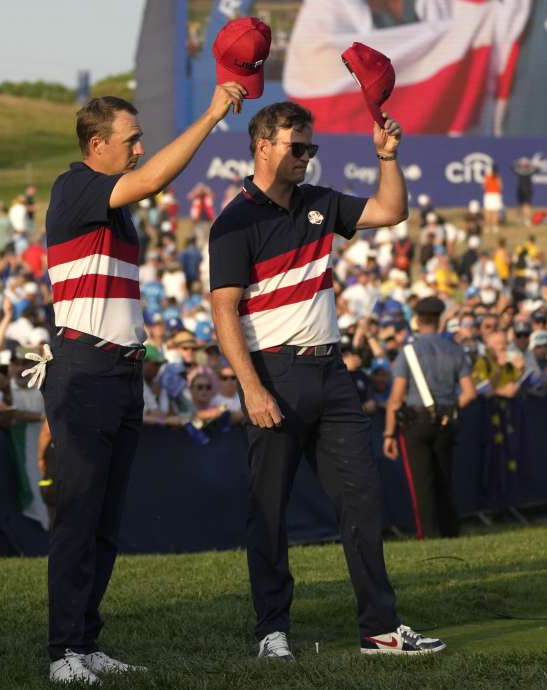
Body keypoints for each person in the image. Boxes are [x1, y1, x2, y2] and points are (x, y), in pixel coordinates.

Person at [209, 101, 445, 660]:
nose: (307, 158)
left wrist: (387, 156)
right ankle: (272, 631)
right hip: (275, 372)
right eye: (297, 147)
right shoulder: (235, 220)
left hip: (331, 371)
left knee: (363, 499)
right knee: (269, 509)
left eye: (311, 148)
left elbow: (392, 210)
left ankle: (380, 629)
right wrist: (252, 387)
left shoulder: (321, 203)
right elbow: (224, 310)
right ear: (263, 146)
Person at [37, 81, 244, 684]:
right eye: (130, 139)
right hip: (83, 371)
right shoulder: (74, 185)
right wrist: (209, 115)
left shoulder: (115, 211)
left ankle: (87, 639)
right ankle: (62, 652)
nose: (139, 148)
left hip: (121, 372)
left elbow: (148, 182)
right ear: (96, 144)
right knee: (78, 515)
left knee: (104, 519)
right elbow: (155, 178)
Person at [382, 297, 476, 539]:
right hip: (446, 420)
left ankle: (429, 533)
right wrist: (449, 409)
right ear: (439, 320)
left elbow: (395, 398)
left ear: (417, 321)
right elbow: (469, 392)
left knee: (421, 483)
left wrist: (389, 433)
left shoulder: (409, 352)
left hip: (417, 421)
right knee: (444, 477)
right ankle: (450, 530)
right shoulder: (455, 349)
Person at [482, 165, 502, 234]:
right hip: (495, 195)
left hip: (489, 195)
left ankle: (487, 227)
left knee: (488, 212)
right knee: (495, 212)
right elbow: (500, 186)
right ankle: (494, 227)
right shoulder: (497, 177)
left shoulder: (487, 177)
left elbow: (484, 186)